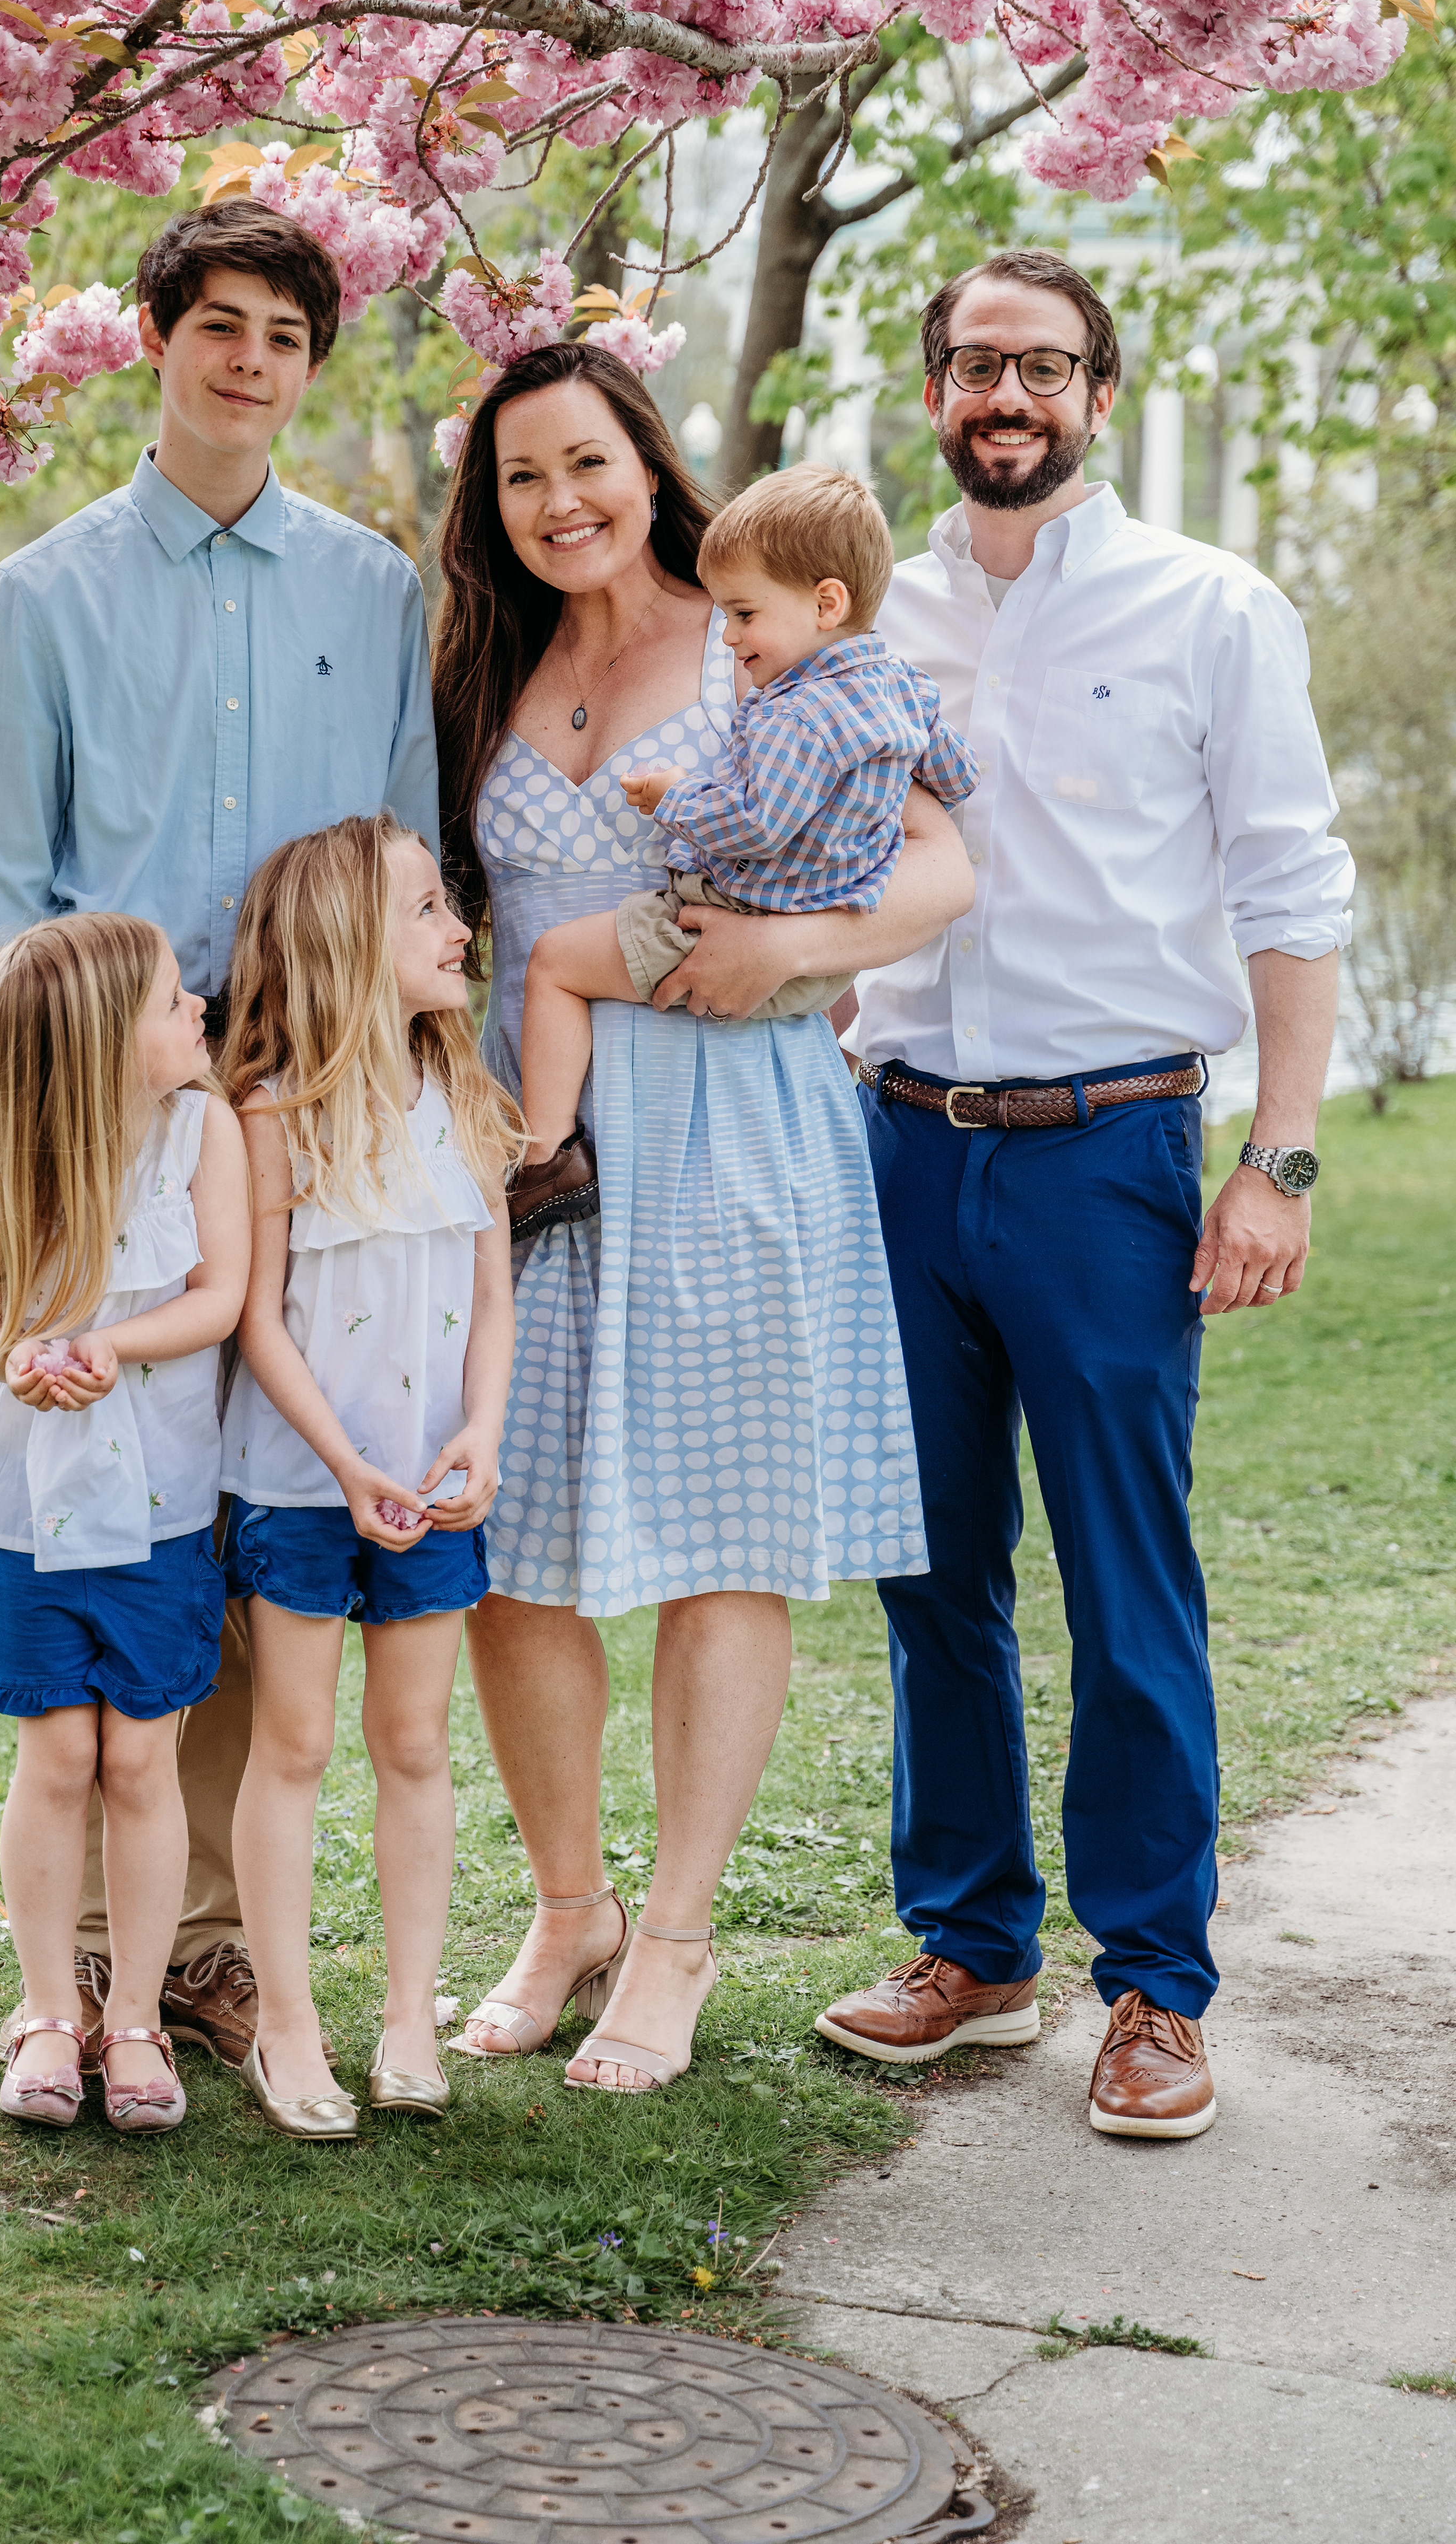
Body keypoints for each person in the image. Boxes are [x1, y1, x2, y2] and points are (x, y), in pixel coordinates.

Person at [814, 246, 1353, 2141]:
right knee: (929, 1568)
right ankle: (973, 1947)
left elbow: (1291, 891)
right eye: (974, 366)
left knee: (1131, 1585)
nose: (1007, 397)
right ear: (935, 390)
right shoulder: (867, 615)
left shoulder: (1212, 608)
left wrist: (1276, 1161)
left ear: (1101, 395)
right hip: (897, 1142)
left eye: (1043, 366)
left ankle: (1155, 1989)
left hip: (1113, 1150)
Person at [0, 199, 440, 2074]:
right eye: (219, 326)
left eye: (286, 339)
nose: (250, 364)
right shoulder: (46, 597)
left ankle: (204, 1948)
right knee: (99, 1496)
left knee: (246, 1513)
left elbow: (402, 863)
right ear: (159, 338)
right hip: (97, 1109)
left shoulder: (376, 593)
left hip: (299, 1107)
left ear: (314, 363)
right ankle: (65, 1970)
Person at [430, 340, 975, 2095]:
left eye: (586, 463)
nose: (559, 503)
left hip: (739, 1124)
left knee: (726, 1536)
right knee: (505, 1545)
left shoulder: (763, 636)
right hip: (540, 1146)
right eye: (521, 478)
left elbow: (946, 862)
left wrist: (799, 953)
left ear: (647, 469)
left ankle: (676, 1931)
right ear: (489, 509)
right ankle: (568, 1903)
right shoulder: (478, 665)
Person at [0, 911, 249, 2134]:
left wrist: (107, 1345)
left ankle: (141, 2020)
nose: (196, 1009)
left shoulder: (202, 1135)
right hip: (28, 1519)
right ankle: (52, 2010)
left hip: (159, 1513)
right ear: (106, 1044)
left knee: (142, 1759)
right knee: (57, 1759)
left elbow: (222, 1293)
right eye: (171, 1002)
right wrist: (6, 1352)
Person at [218, 815, 523, 2136]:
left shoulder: (464, 1098)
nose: (459, 928)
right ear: (348, 944)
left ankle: (410, 2016)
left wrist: (482, 1438)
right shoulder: (271, 1115)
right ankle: (286, 2027)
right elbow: (258, 1318)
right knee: (291, 1744)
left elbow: (491, 1296)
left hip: (433, 1483)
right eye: (425, 909)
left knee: (415, 1744)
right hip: (301, 1487)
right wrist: (343, 1466)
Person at [512, 464, 978, 1225]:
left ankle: (546, 1160)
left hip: (734, 916)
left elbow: (757, 824)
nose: (730, 636)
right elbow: (957, 776)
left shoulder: (797, 713)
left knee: (556, 965)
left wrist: (673, 798)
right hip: (823, 950)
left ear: (827, 602)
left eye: (745, 614)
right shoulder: (902, 688)